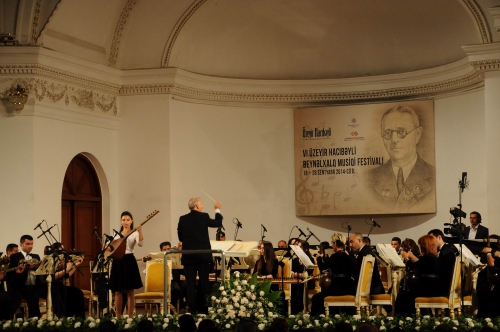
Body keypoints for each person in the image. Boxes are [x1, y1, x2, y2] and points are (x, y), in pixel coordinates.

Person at [366, 105, 436, 212]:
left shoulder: (434, 175)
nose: (394, 139)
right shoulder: (368, 179)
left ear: (417, 134)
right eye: (388, 133)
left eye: (401, 132)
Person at [177, 197, 222, 313]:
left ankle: (192, 308)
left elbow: (180, 237)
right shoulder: (203, 216)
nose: (202, 206)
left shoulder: (182, 219)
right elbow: (217, 223)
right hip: (203, 256)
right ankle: (204, 308)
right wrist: (217, 210)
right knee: (204, 282)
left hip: (189, 256)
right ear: (197, 206)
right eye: (201, 204)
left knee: (190, 283)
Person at [108, 211, 144, 318]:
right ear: (120, 221)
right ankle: (118, 316)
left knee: (130, 290)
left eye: (128, 220)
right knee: (118, 291)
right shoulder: (116, 234)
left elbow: (141, 244)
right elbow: (111, 247)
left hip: (129, 260)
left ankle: (130, 317)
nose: (126, 222)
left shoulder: (135, 233)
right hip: (118, 261)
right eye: (123, 220)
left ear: (131, 221)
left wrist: (140, 231)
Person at [395, 235, 440, 316]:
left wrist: (407, 258)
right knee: (405, 293)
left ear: (424, 246)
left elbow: (415, 265)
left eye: (420, 245)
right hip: (431, 286)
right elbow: (419, 264)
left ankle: (405, 318)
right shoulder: (432, 257)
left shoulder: (428, 258)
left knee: (403, 295)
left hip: (429, 288)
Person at [311, 237, 355, 316]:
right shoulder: (349, 256)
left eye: (332, 243)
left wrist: (319, 258)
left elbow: (323, 268)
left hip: (337, 287)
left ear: (335, 243)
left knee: (316, 298)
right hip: (349, 288)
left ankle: (319, 319)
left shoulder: (334, 256)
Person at [42, 242, 85, 317]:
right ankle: (62, 317)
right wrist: (67, 268)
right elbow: (52, 277)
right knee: (60, 294)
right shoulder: (49, 260)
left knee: (78, 292)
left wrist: (76, 265)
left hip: (60, 286)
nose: (64, 251)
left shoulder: (61, 260)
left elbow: (66, 275)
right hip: (50, 287)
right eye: (61, 249)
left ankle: (77, 318)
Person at [6, 235, 42, 318]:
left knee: (34, 295)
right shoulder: (15, 257)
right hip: (20, 286)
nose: (30, 246)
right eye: (28, 244)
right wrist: (19, 272)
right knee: (18, 297)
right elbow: (10, 275)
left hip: (33, 286)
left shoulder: (36, 257)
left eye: (32, 244)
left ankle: (35, 321)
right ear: (21, 244)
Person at [427, 229, 458, 296]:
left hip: (444, 287)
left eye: (432, 238)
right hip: (443, 284)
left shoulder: (447, 251)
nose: (430, 242)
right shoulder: (444, 249)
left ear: (439, 237)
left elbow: (444, 271)